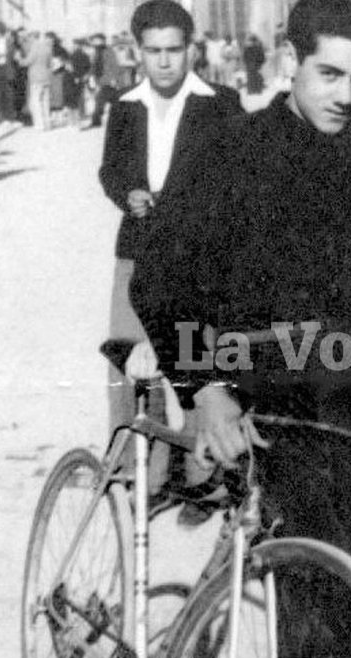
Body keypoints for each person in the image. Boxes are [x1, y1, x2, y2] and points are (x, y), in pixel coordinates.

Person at [133, 0, 351, 633]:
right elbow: (157, 281)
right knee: (311, 610)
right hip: (269, 409)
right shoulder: (230, 151)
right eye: (329, 74)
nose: (345, 95)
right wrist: (203, 391)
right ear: (290, 63)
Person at [99, 0, 243, 453]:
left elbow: (237, 178)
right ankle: (135, 467)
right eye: (154, 50)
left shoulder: (220, 104)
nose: (164, 61)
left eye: (174, 50)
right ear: (137, 51)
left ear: (191, 50)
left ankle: (205, 476)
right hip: (136, 250)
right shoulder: (124, 107)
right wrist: (127, 193)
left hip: (196, 259)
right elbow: (110, 170)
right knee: (129, 359)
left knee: (193, 359)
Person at [17, 30, 52, 130]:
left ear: (32, 37)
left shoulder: (34, 48)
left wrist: (19, 58)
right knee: (45, 102)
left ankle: (39, 125)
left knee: (36, 102)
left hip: (36, 78)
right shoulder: (47, 48)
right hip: (46, 77)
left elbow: (26, 62)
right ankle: (47, 124)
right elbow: (49, 63)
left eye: (29, 37)